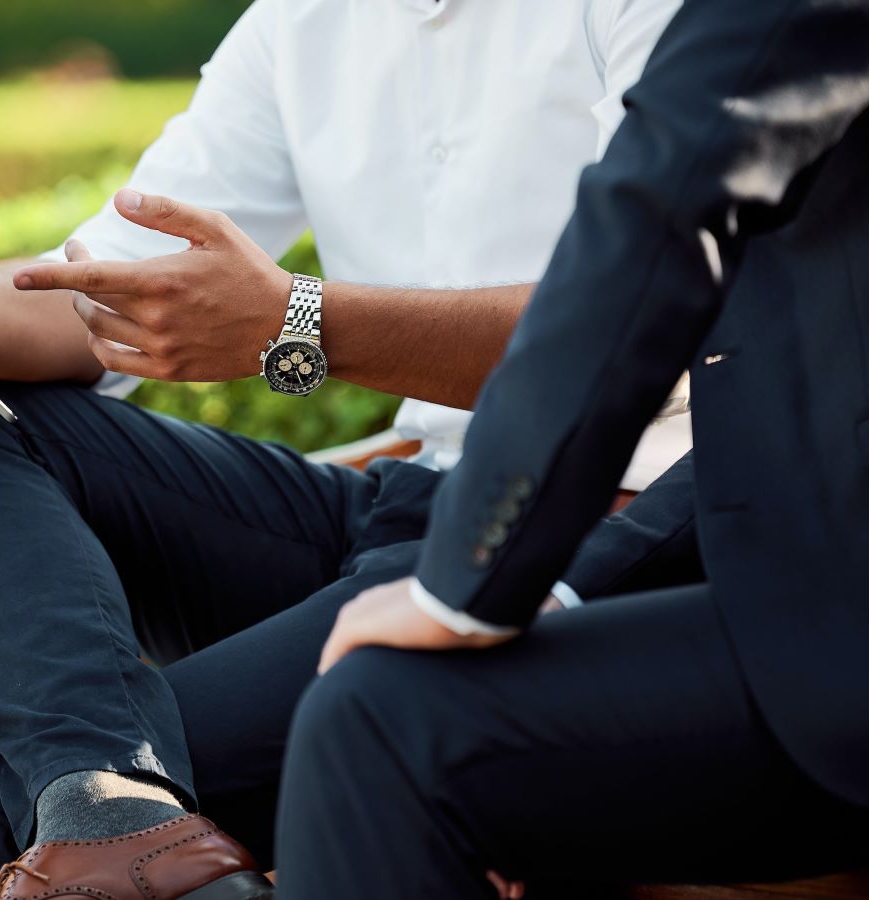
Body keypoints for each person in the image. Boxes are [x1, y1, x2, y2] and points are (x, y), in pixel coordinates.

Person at [0, 0, 688, 896]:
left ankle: (105, 809)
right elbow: (107, 290)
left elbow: (639, 322)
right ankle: (110, 804)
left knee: (14, 824)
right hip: (404, 504)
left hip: (595, 530)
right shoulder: (301, 22)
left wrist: (300, 321)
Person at [269, 0, 869, 896]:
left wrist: (468, 585)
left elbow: (654, 219)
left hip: (815, 630)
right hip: (424, 511)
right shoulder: (293, 28)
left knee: (379, 724)